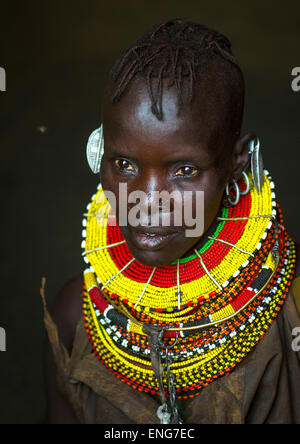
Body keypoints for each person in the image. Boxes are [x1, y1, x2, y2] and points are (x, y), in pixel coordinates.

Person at [42, 18, 300, 424]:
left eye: (183, 170)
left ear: (237, 160)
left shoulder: (290, 309)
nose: (146, 202)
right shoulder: (75, 316)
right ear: (99, 152)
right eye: (124, 164)